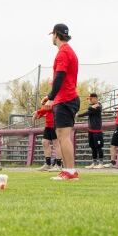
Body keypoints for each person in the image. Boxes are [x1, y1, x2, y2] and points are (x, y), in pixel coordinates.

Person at [41, 23, 80, 181]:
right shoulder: (68, 51)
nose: (52, 37)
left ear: (56, 34)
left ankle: (70, 171)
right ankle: (67, 170)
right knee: (61, 135)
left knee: (63, 136)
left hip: (66, 99)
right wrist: (50, 96)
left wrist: (51, 97)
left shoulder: (63, 52)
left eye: (53, 34)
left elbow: (60, 78)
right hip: (65, 98)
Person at [77, 92, 103, 168]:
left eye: (91, 99)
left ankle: (100, 163)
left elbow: (88, 111)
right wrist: (91, 107)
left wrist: (78, 115)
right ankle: (94, 163)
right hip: (91, 130)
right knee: (93, 147)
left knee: (98, 147)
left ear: (95, 98)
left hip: (97, 130)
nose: (90, 101)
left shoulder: (99, 106)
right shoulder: (92, 106)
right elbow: (89, 109)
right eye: (89, 99)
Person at [33, 107, 63, 171]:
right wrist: (39, 115)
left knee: (56, 143)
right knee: (45, 142)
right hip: (48, 124)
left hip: (55, 123)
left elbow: (50, 106)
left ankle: (58, 165)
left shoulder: (54, 97)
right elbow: (45, 108)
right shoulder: (48, 99)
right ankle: (48, 164)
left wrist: (38, 112)